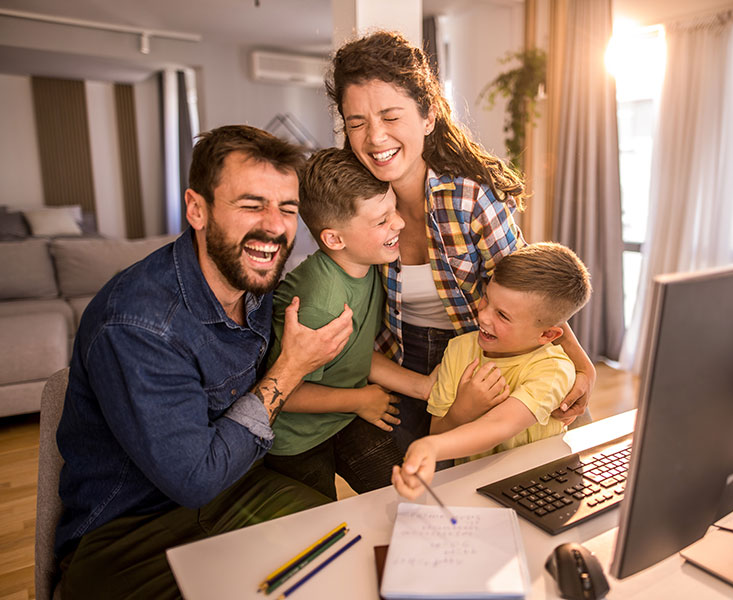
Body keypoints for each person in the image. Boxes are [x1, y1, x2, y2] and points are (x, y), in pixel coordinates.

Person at [54, 125, 354, 599]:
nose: (275, 226)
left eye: (288, 209)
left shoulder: (253, 278)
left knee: (346, 551)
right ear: (197, 209)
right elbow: (195, 480)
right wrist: (291, 367)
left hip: (234, 492)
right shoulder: (138, 323)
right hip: (129, 536)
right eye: (252, 205)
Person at [328, 30, 594, 453]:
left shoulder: (471, 200)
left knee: (532, 465)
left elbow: (527, 294)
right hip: (402, 361)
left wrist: (583, 367)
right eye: (356, 122)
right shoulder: (353, 209)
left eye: (391, 117)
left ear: (428, 117)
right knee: (415, 490)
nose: (374, 137)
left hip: (488, 355)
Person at [264, 147, 434, 499]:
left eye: (394, 210)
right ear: (334, 239)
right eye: (381, 220)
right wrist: (358, 400)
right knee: (319, 526)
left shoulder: (372, 264)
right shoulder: (319, 304)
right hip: (297, 440)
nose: (399, 223)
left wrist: (422, 387)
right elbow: (285, 394)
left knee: (404, 495)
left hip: (345, 416)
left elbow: (353, 355)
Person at [391, 243, 592, 498]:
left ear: (547, 334)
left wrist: (430, 446)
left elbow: (501, 423)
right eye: (486, 299)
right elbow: (438, 431)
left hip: (540, 488)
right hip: (475, 488)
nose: (484, 317)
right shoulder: (459, 349)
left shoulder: (554, 370)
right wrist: (460, 412)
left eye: (503, 316)